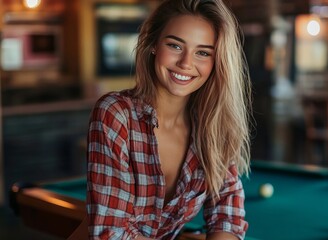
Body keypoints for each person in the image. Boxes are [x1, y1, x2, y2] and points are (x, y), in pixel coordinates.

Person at [86, 0, 252, 239]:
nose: (186, 63)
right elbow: (111, 233)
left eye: (203, 52)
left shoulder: (214, 125)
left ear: (217, 61)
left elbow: (226, 216)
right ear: (153, 43)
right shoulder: (116, 114)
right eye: (175, 46)